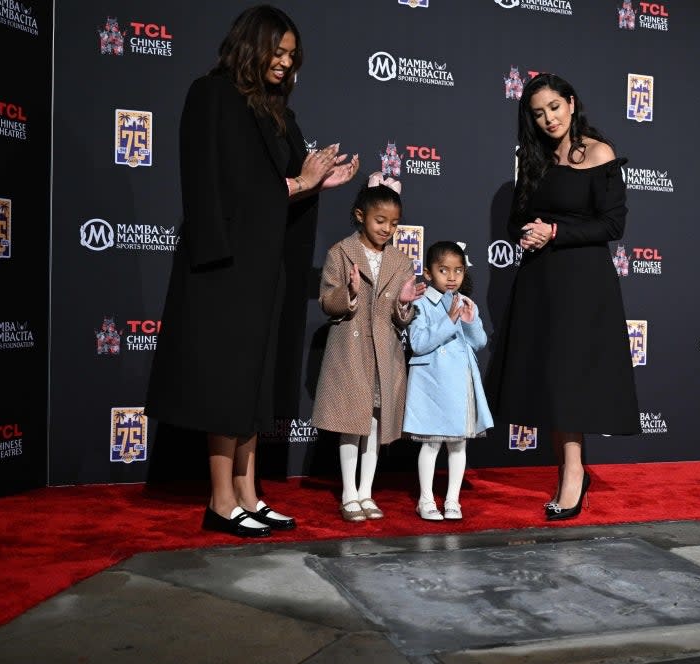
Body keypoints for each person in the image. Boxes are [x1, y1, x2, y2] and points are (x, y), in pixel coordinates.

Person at [146, 5, 359, 538]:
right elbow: (211, 187)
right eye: (278, 51)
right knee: (227, 380)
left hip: (266, 265)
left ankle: (248, 493)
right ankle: (220, 500)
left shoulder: (276, 112)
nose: (286, 63)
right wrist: (297, 185)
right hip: (223, 267)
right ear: (252, 44)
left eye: (292, 56)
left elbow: (284, 184)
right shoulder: (211, 94)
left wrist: (317, 184)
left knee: (255, 383)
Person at [487, 73, 641, 521]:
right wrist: (528, 233)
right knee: (554, 380)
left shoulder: (599, 153)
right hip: (540, 280)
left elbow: (613, 226)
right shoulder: (531, 159)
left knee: (572, 378)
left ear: (571, 104)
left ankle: (572, 474)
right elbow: (517, 218)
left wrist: (555, 230)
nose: (548, 118)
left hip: (584, 281)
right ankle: (570, 468)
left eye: (554, 107)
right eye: (538, 113)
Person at [311, 173, 426, 522]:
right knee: (352, 423)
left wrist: (405, 304)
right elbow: (327, 301)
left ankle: (366, 492)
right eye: (380, 221)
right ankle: (348, 493)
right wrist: (348, 294)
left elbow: (400, 318)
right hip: (349, 350)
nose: (387, 229)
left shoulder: (401, 261)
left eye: (393, 224)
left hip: (385, 355)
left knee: (376, 426)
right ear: (360, 215)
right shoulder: (341, 253)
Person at [403, 241, 493, 521]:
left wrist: (469, 320)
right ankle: (426, 499)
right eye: (443, 270)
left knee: (458, 445)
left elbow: (479, 342)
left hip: (460, 383)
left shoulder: (465, 303)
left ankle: (453, 499)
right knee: (431, 444)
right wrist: (449, 321)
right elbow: (418, 343)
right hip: (432, 384)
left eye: (458, 271)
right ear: (428, 274)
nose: (452, 277)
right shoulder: (420, 303)